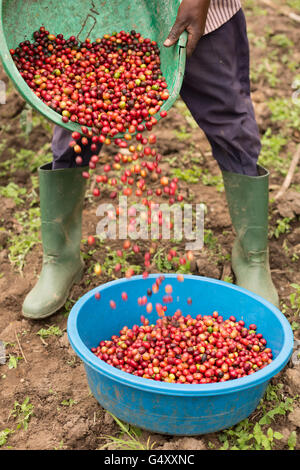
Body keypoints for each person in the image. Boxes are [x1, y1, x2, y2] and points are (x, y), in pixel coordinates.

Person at [22, 0, 279, 320]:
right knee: (76, 125)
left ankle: (252, 255)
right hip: (101, 16)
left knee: (231, 124)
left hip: (200, 14)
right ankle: (60, 257)